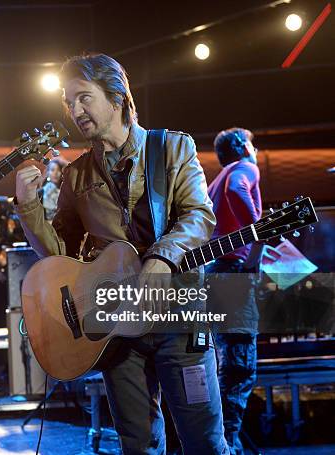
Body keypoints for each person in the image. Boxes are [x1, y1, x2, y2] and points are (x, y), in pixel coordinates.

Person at [14, 53, 229, 454]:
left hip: (180, 316)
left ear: (116, 98)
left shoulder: (173, 148)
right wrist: (28, 206)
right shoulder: (77, 175)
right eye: (68, 101)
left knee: (204, 441)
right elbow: (59, 253)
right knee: (138, 445)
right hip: (117, 330)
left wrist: (162, 256)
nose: (74, 110)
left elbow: (200, 215)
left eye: (83, 98)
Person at [206, 128, 262, 455]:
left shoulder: (216, 178)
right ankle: (230, 446)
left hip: (215, 274)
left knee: (226, 366)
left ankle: (224, 442)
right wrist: (260, 234)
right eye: (252, 144)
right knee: (240, 366)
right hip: (232, 272)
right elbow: (237, 189)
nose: (255, 149)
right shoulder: (244, 169)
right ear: (241, 147)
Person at [38, 157, 69, 222]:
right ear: (48, 173)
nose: (55, 173)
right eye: (52, 170)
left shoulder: (68, 194)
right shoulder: (40, 193)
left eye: (59, 170)